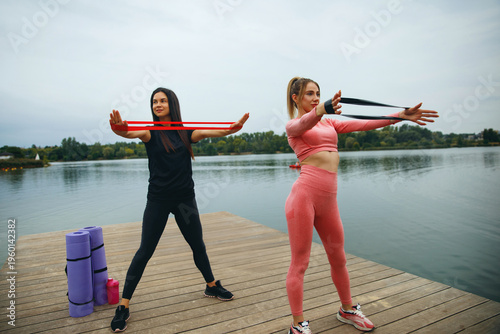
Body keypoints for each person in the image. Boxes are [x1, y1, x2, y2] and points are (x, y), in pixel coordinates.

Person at [284, 77, 438, 333]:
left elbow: (364, 124)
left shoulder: (330, 122)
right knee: (300, 263)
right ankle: (298, 324)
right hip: (303, 198)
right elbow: (303, 122)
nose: (314, 97)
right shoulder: (293, 126)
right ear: (295, 98)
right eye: (310, 94)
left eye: (317, 93)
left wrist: (400, 116)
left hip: (328, 201)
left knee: (339, 258)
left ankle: (347, 309)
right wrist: (321, 108)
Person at [108, 87, 250, 332]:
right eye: (154, 101)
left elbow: (210, 132)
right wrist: (117, 129)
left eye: (162, 100)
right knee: (144, 251)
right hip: (158, 201)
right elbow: (129, 132)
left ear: (171, 104)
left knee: (198, 245)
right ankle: (124, 305)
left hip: (185, 200)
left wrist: (231, 129)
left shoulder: (186, 132)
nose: (158, 104)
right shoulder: (149, 131)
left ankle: (211, 285)